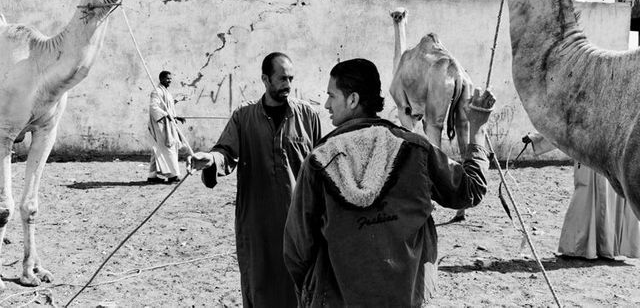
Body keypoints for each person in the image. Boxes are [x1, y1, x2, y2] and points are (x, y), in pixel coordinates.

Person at [283, 58, 495, 307]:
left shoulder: (320, 161)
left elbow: (297, 248)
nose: (327, 104)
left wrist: (310, 294)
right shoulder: (416, 149)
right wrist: (477, 131)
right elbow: (470, 190)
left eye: (332, 95)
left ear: (353, 99)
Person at [189, 52, 322, 308]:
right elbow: (225, 152)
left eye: (291, 78)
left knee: (300, 287)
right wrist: (210, 159)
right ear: (265, 79)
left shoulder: (308, 116)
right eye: (282, 79)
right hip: (256, 222)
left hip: (298, 222)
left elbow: (320, 166)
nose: (288, 85)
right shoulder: (244, 117)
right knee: (259, 284)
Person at [524, 132, 640, 259]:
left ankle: (595, 247)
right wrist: (536, 137)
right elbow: (566, 126)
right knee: (587, 195)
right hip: (592, 153)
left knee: (605, 195)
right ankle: (585, 247)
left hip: (610, 154)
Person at [147, 70, 186, 184]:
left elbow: (168, 108)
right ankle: (172, 176)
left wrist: (176, 117)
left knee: (158, 150)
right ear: (162, 79)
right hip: (160, 126)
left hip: (167, 124)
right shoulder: (157, 92)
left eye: (170, 78)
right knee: (168, 149)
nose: (170, 80)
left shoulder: (166, 92)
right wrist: (166, 115)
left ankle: (152, 176)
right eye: (168, 78)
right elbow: (153, 107)